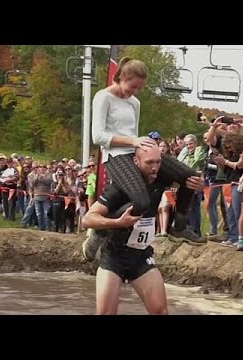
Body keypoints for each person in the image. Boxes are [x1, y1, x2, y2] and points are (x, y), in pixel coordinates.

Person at [84, 57, 204, 262]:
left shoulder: (135, 102)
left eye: (139, 88)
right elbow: (98, 136)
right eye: (133, 86)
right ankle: (100, 231)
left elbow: (135, 132)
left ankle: (180, 226)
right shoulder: (103, 97)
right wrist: (133, 141)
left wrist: (146, 148)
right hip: (115, 155)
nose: (135, 92)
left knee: (189, 176)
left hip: (135, 151)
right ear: (122, 77)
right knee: (141, 200)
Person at [82, 144, 204, 314]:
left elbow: (186, 181)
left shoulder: (161, 178)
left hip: (140, 255)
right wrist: (118, 223)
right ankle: (98, 235)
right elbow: (87, 219)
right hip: (113, 256)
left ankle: (179, 228)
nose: (154, 168)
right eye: (149, 163)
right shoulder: (118, 188)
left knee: (161, 311)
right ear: (136, 161)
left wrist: (196, 184)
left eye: (158, 162)